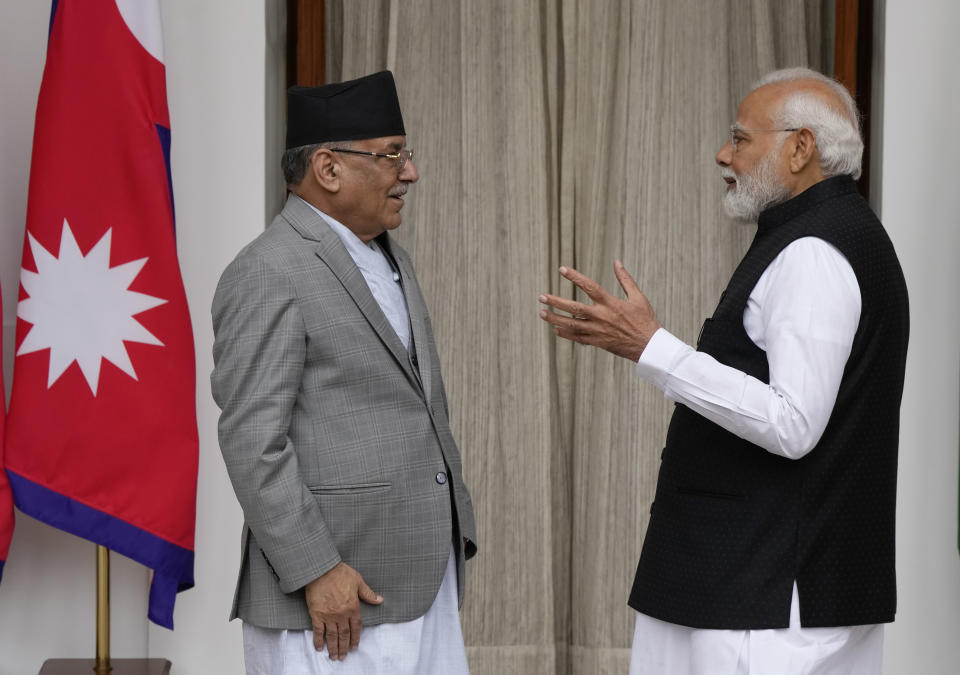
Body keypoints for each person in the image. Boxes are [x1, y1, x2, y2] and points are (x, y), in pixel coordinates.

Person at [538, 67, 908, 674]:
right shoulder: (835, 234)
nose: (722, 153)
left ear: (800, 148)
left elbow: (793, 424)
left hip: (765, 600)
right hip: (768, 589)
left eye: (740, 138)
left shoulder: (813, 253)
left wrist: (650, 346)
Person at [212, 70, 477, 675]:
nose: (409, 173)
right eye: (392, 156)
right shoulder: (267, 271)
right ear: (328, 169)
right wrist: (316, 568)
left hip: (418, 585)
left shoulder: (389, 257)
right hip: (332, 603)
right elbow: (253, 439)